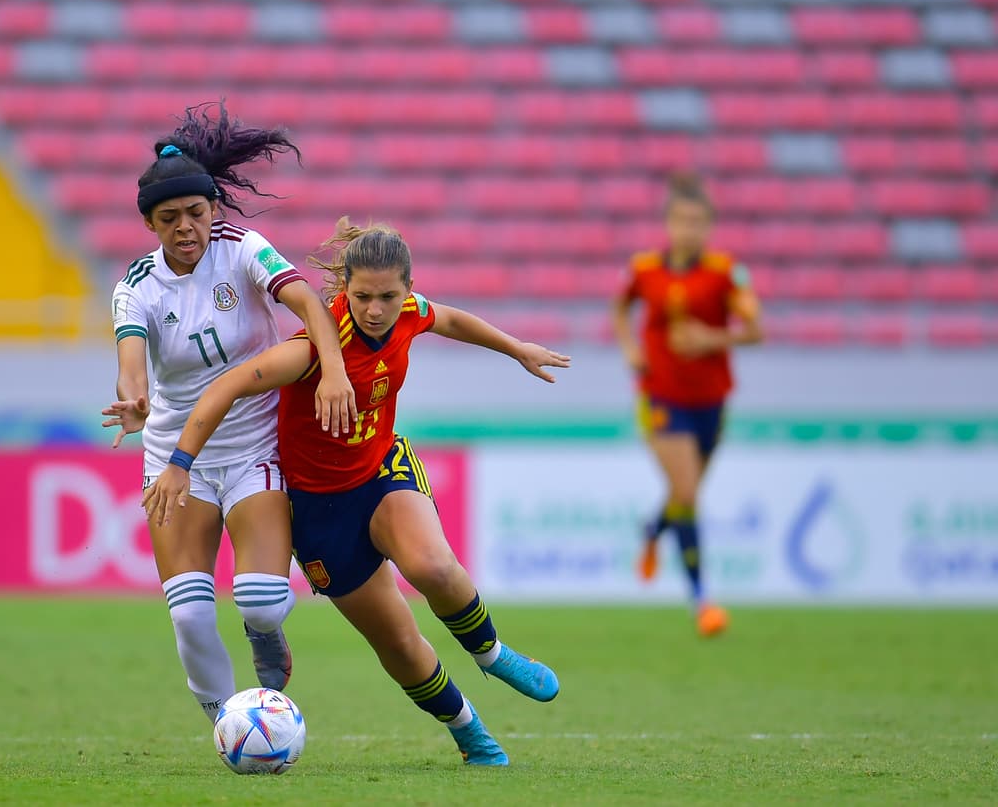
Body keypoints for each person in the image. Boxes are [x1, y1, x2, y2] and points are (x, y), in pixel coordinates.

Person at [145, 218, 570, 766]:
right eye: (362, 296)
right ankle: (470, 732)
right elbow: (229, 384)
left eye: (388, 296)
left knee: (434, 568)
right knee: (397, 643)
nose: (375, 309)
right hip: (319, 512)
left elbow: (453, 320)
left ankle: (492, 654)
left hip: (381, 470)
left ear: (407, 291)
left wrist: (516, 349)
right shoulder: (313, 350)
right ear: (344, 288)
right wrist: (179, 461)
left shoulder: (411, 315)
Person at [100, 103, 357, 725]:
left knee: (263, 602)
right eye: (170, 218)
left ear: (214, 207)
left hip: (255, 448)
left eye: (196, 212)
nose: (187, 226)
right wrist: (134, 398)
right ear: (149, 224)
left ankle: (266, 636)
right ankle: (228, 723)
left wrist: (335, 369)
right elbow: (131, 358)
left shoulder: (244, 249)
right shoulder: (136, 287)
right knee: (188, 612)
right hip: (175, 457)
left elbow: (310, 304)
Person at [611, 172, 765, 637]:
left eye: (698, 222)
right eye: (681, 220)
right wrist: (630, 349)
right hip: (661, 397)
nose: (688, 230)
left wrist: (712, 337)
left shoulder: (724, 272)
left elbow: (756, 329)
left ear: (709, 226)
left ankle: (654, 530)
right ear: (668, 223)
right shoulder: (644, 270)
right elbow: (620, 309)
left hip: (711, 400)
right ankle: (703, 600)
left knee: (684, 494)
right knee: (689, 495)